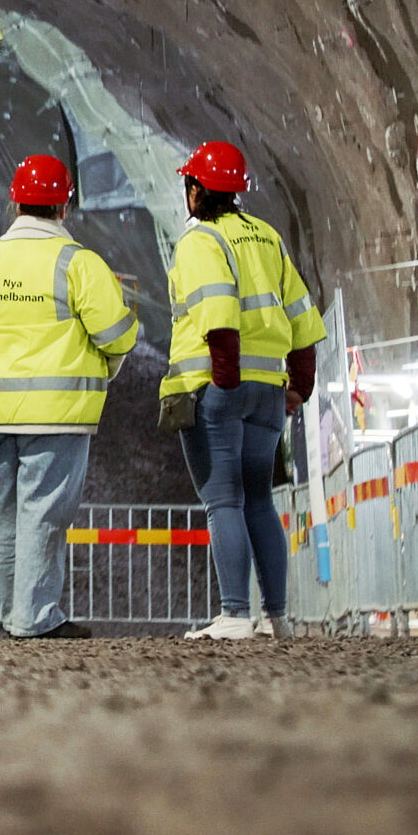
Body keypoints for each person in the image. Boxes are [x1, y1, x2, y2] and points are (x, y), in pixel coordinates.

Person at [0, 155, 139, 640]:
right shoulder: (79, 264)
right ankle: (33, 618)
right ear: (64, 207)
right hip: (56, 414)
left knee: (1, 520)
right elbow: (117, 335)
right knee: (43, 516)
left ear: (14, 203)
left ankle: (13, 615)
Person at [163, 141, 326, 640]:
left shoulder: (201, 241)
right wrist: (300, 385)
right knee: (258, 500)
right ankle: (277, 617)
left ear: (196, 190)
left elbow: (218, 313)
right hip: (268, 391)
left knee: (223, 501)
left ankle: (234, 614)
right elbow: (303, 318)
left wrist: (225, 381)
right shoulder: (267, 237)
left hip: (219, 387)